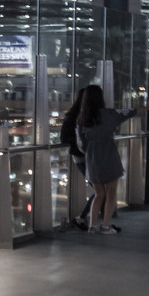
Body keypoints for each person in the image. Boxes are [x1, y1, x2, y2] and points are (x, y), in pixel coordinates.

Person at [76, 85, 147, 234]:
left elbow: (81, 144)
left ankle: (92, 226)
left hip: (92, 159)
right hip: (109, 156)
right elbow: (132, 112)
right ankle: (106, 226)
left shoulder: (82, 119)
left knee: (98, 193)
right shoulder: (109, 114)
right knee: (111, 193)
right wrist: (145, 107)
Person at [61, 87, 94, 230]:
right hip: (84, 156)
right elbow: (65, 138)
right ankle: (81, 217)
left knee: (99, 189)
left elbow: (64, 138)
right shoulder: (84, 116)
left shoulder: (73, 115)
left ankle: (82, 218)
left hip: (82, 156)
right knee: (100, 189)